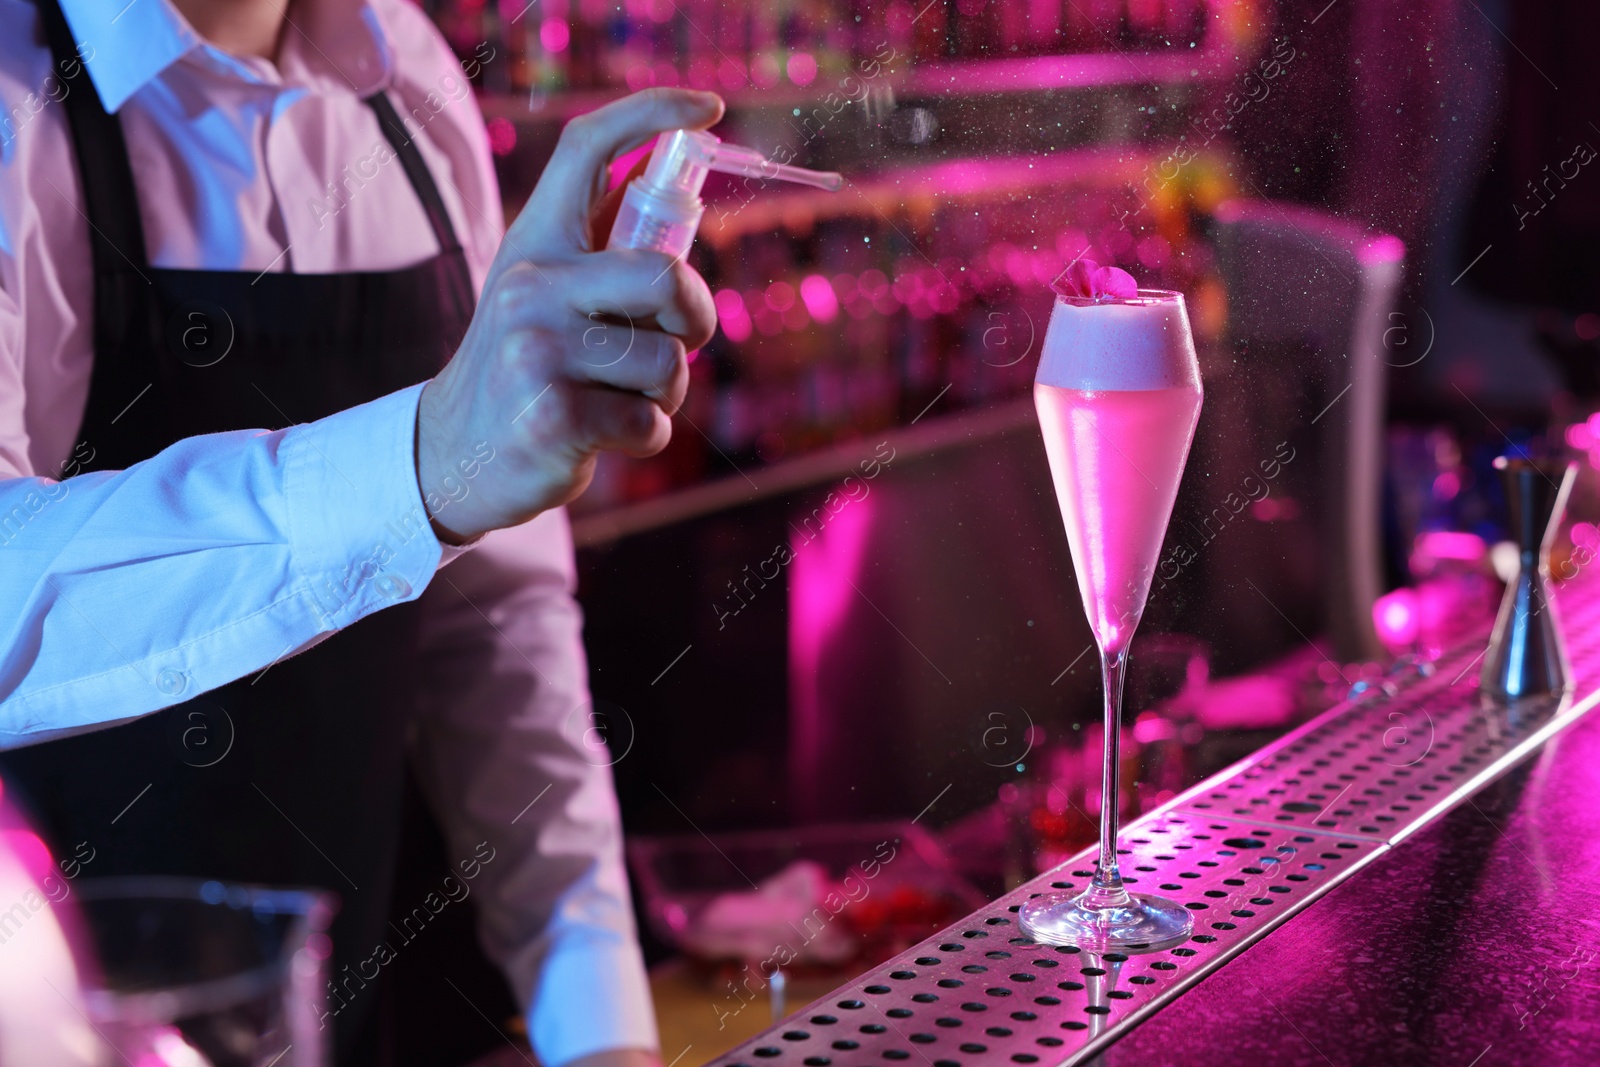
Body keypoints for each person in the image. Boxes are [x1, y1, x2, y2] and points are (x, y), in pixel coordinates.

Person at [0, 0, 721, 1063]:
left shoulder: (407, 69)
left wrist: (598, 1023)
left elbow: (498, 618)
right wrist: (420, 464)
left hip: (328, 1008)